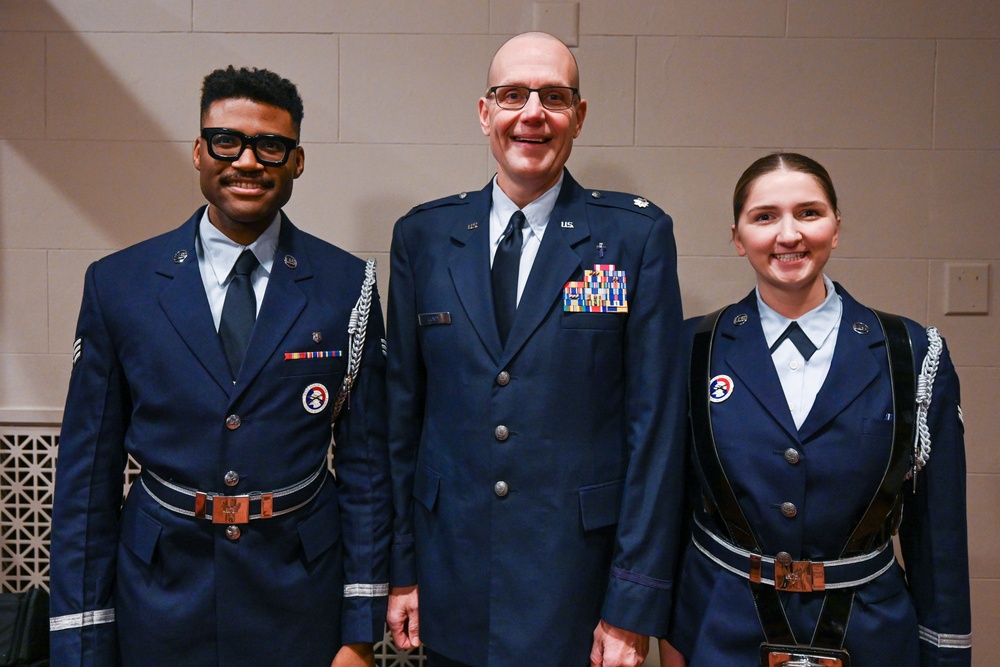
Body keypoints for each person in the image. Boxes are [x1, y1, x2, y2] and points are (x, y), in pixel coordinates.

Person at [48, 66, 390, 667]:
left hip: (297, 592)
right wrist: (81, 644)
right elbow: (87, 479)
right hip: (159, 592)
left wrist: (358, 632)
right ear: (200, 152)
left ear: (298, 161)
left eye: (271, 146)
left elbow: (365, 469)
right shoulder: (119, 285)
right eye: (228, 141)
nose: (248, 161)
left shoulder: (347, 286)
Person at [386, 32, 687, 667]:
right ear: (484, 112)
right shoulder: (425, 237)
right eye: (512, 94)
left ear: (578, 116)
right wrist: (401, 571)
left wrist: (631, 605)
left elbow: (655, 431)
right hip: (451, 577)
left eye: (554, 96)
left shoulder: (633, 237)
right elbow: (401, 419)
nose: (532, 112)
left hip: (579, 589)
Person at [660, 153, 972, 666]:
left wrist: (946, 654)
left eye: (809, 213)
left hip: (871, 634)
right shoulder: (691, 346)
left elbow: (937, 535)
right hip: (720, 630)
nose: (789, 235)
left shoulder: (911, 352)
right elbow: (667, 509)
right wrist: (668, 635)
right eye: (764, 217)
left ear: (836, 227)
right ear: (738, 238)